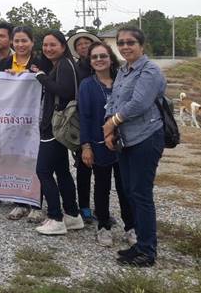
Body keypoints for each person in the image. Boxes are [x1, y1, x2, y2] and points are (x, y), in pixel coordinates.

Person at [103, 27, 166, 267]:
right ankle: (138, 244)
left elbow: (139, 103)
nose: (125, 47)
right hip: (126, 139)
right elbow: (114, 99)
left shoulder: (149, 71)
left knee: (141, 194)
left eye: (130, 42)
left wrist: (112, 122)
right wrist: (110, 128)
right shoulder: (124, 71)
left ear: (142, 45)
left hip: (146, 138)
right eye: (121, 43)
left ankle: (148, 250)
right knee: (130, 192)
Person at [79, 41, 136, 248]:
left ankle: (131, 226)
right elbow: (83, 117)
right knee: (102, 187)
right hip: (99, 143)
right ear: (90, 61)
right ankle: (103, 226)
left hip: (125, 143)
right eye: (94, 57)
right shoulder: (87, 85)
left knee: (126, 188)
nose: (99, 60)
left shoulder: (123, 81)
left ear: (110, 58)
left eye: (103, 56)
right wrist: (85, 146)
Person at [30, 30, 84, 235]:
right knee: (62, 171)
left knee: (43, 171)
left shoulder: (65, 66)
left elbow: (64, 92)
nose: (48, 49)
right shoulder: (62, 65)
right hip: (58, 127)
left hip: (56, 127)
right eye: (45, 45)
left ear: (63, 46)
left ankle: (55, 217)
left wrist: (41, 77)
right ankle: (72, 214)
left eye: (53, 45)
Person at [0, 25, 43, 221]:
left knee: (36, 163)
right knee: (14, 160)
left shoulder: (41, 62)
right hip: (11, 122)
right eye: (17, 41)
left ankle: (36, 203)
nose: (21, 45)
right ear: (12, 43)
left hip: (35, 121)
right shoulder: (5, 62)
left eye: (25, 41)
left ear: (32, 42)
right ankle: (19, 202)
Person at [67, 29, 102, 224]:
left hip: (103, 121)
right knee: (83, 166)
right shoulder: (74, 67)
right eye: (79, 44)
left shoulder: (103, 65)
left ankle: (101, 207)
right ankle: (84, 206)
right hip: (81, 121)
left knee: (102, 169)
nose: (83, 46)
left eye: (86, 43)